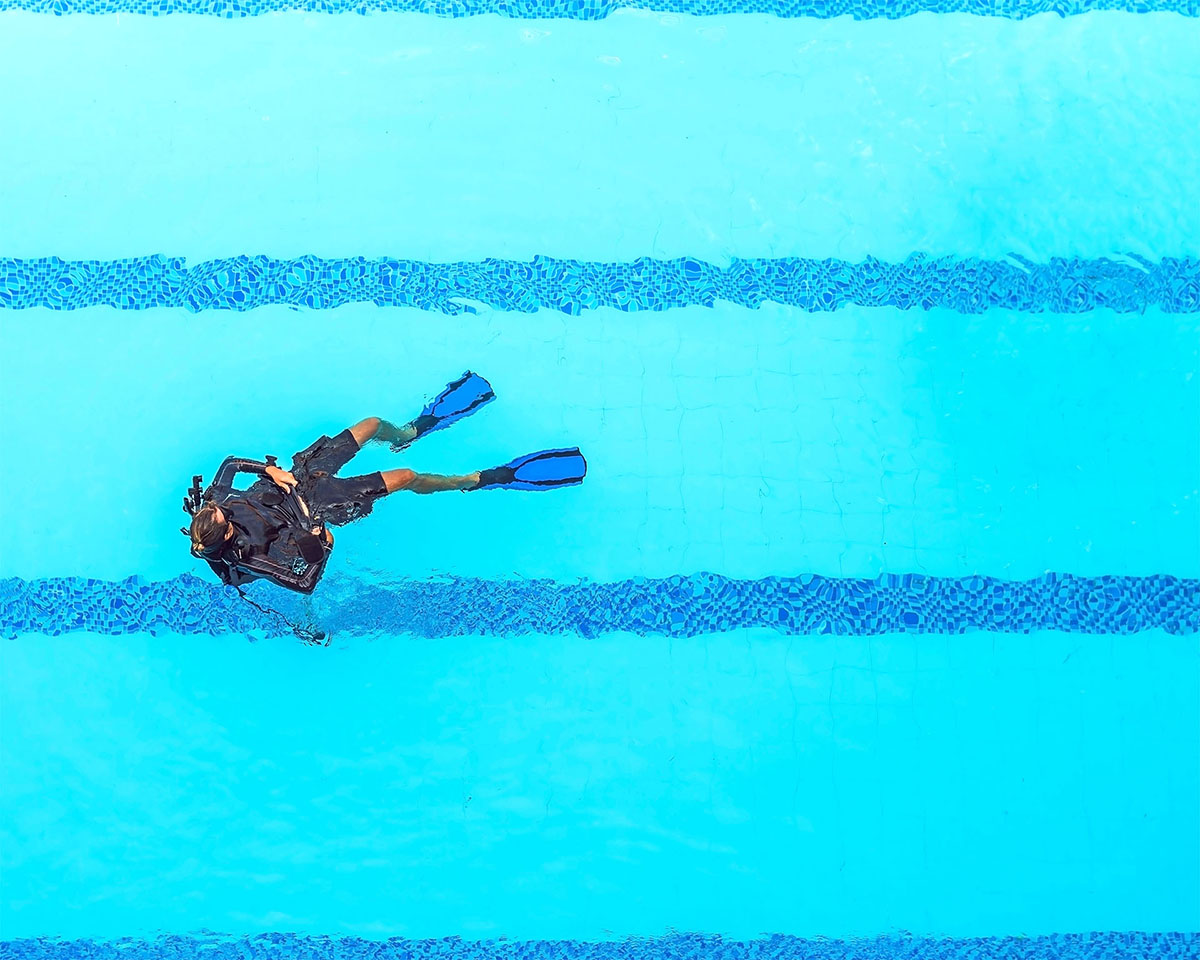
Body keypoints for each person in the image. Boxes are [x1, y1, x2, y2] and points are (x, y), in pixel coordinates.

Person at [183, 372, 587, 599]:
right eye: (221, 511)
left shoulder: (212, 505)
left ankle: (409, 431)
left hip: (299, 479)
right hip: (315, 509)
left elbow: (231, 464)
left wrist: (270, 473)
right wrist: (323, 540)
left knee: (373, 424)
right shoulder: (253, 556)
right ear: (228, 528)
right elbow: (304, 582)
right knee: (407, 477)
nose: (220, 503)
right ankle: (476, 480)